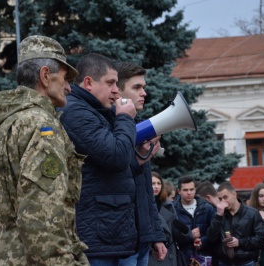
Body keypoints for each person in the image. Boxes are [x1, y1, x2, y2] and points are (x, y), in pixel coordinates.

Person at [0, 35, 89, 265]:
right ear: (45, 76)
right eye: (64, 78)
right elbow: (41, 217)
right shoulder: (41, 125)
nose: (69, 88)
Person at [58, 53, 165, 265]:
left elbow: (116, 168)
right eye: (111, 83)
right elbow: (116, 158)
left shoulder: (97, 111)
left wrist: (140, 160)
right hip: (99, 236)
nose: (116, 90)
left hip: (112, 232)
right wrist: (125, 118)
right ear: (88, 82)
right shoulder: (77, 112)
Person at [116, 61, 167, 265]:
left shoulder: (136, 129)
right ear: (118, 91)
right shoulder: (114, 130)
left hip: (141, 239)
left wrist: (156, 235)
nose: (144, 93)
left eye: (143, 87)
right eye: (136, 88)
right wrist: (138, 159)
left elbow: (146, 192)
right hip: (122, 239)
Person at [206, 182, 264, 266]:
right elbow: (211, 238)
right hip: (224, 262)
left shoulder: (252, 213)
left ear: (234, 194)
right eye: (220, 199)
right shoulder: (218, 215)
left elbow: (261, 240)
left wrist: (239, 242)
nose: (223, 201)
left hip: (246, 262)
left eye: (225, 197)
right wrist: (218, 216)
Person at [173, 176, 216, 264]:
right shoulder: (173, 210)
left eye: (191, 189)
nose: (189, 193)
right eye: (185, 190)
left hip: (204, 257)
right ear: (179, 191)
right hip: (183, 258)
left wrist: (202, 241)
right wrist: (189, 235)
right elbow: (173, 236)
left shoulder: (207, 208)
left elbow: (214, 232)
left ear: (195, 190)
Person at [149, 171, 181, 266]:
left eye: (159, 183)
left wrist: (188, 233)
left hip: (168, 253)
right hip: (150, 252)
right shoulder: (143, 205)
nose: (156, 186)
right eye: (153, 183)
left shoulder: (168, 205)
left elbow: (175, 228)